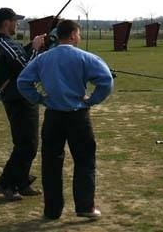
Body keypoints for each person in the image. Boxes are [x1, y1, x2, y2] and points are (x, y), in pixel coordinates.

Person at [17, 19, 113, 219]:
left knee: (51, 164)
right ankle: (85, 207)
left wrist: (40, 99)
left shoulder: (42, 59)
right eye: (78, 34)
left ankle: (52, 211)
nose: (79, 37)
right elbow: (105, 81)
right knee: (85, 161)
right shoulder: (86, 58)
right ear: (72, 35)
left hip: (53, 117)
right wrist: (91, 101)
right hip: (78, 116)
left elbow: (23, 81)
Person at [0, 8, 45, 201]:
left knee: (29, 143)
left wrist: (33, 47)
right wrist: (34, 48)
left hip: (21, 97)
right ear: (7, 22)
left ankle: (22, 183)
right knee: (26, 144)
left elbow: (19, 61)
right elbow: (27, 70)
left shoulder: (5, 44)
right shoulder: (3, 43)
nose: (17, 24)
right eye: (15, 21)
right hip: (18, 98)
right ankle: (5, 183)